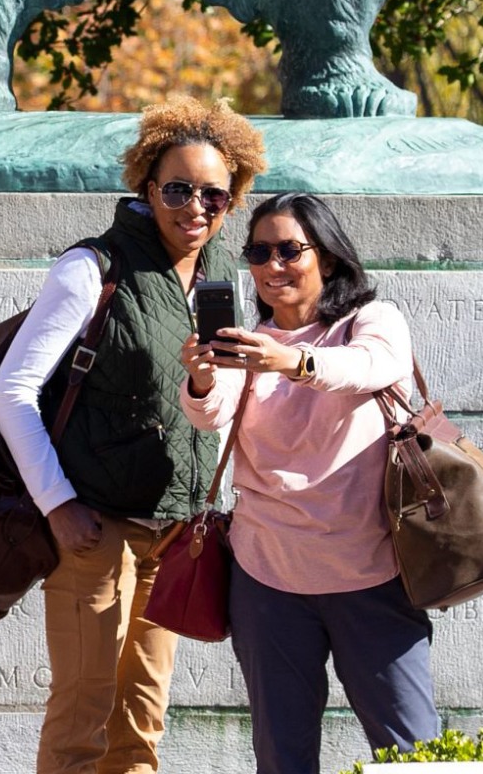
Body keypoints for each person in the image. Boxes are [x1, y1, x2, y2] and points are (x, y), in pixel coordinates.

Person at [0, 96, 266, 774]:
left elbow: (220, 408)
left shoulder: (216, 282)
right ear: (146, 186)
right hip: (96, 531)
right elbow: (12, 390)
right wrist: (57, 504)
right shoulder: (93, 269)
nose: (195, 207)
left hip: (173, 535)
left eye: (214, 196)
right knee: (83, 714)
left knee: (141, 725)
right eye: (178, 189)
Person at [179, 191, 439, 774]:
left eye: (289, 250)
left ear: (327, 255)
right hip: (267, 579)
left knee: (413, 753)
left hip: (371, 573)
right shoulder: (246, 343)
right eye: (259, 252)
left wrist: (291, 362)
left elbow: (374, 366)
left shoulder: (370, 321)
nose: (273, 266)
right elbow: (209, 414)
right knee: (283, 757)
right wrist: (200, 380)